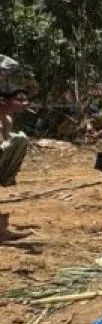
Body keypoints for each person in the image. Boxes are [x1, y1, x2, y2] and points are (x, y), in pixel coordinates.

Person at [0, 87, 32, 243]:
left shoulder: (7, 120)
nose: (25, 103)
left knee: (20, 139)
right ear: (3, 101)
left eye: (26, 99)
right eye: (20, 99)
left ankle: (2, 231)